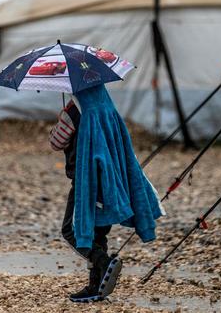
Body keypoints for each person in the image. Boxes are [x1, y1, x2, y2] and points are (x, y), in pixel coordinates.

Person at [49, 84, 164, 303]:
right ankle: (96, 285)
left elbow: (56, 142)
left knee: (72, 229)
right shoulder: (105, 107)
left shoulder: (74, 111)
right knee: (98, 233)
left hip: (86, 183)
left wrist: (62, 119)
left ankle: (102, 262)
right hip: (109, 180)